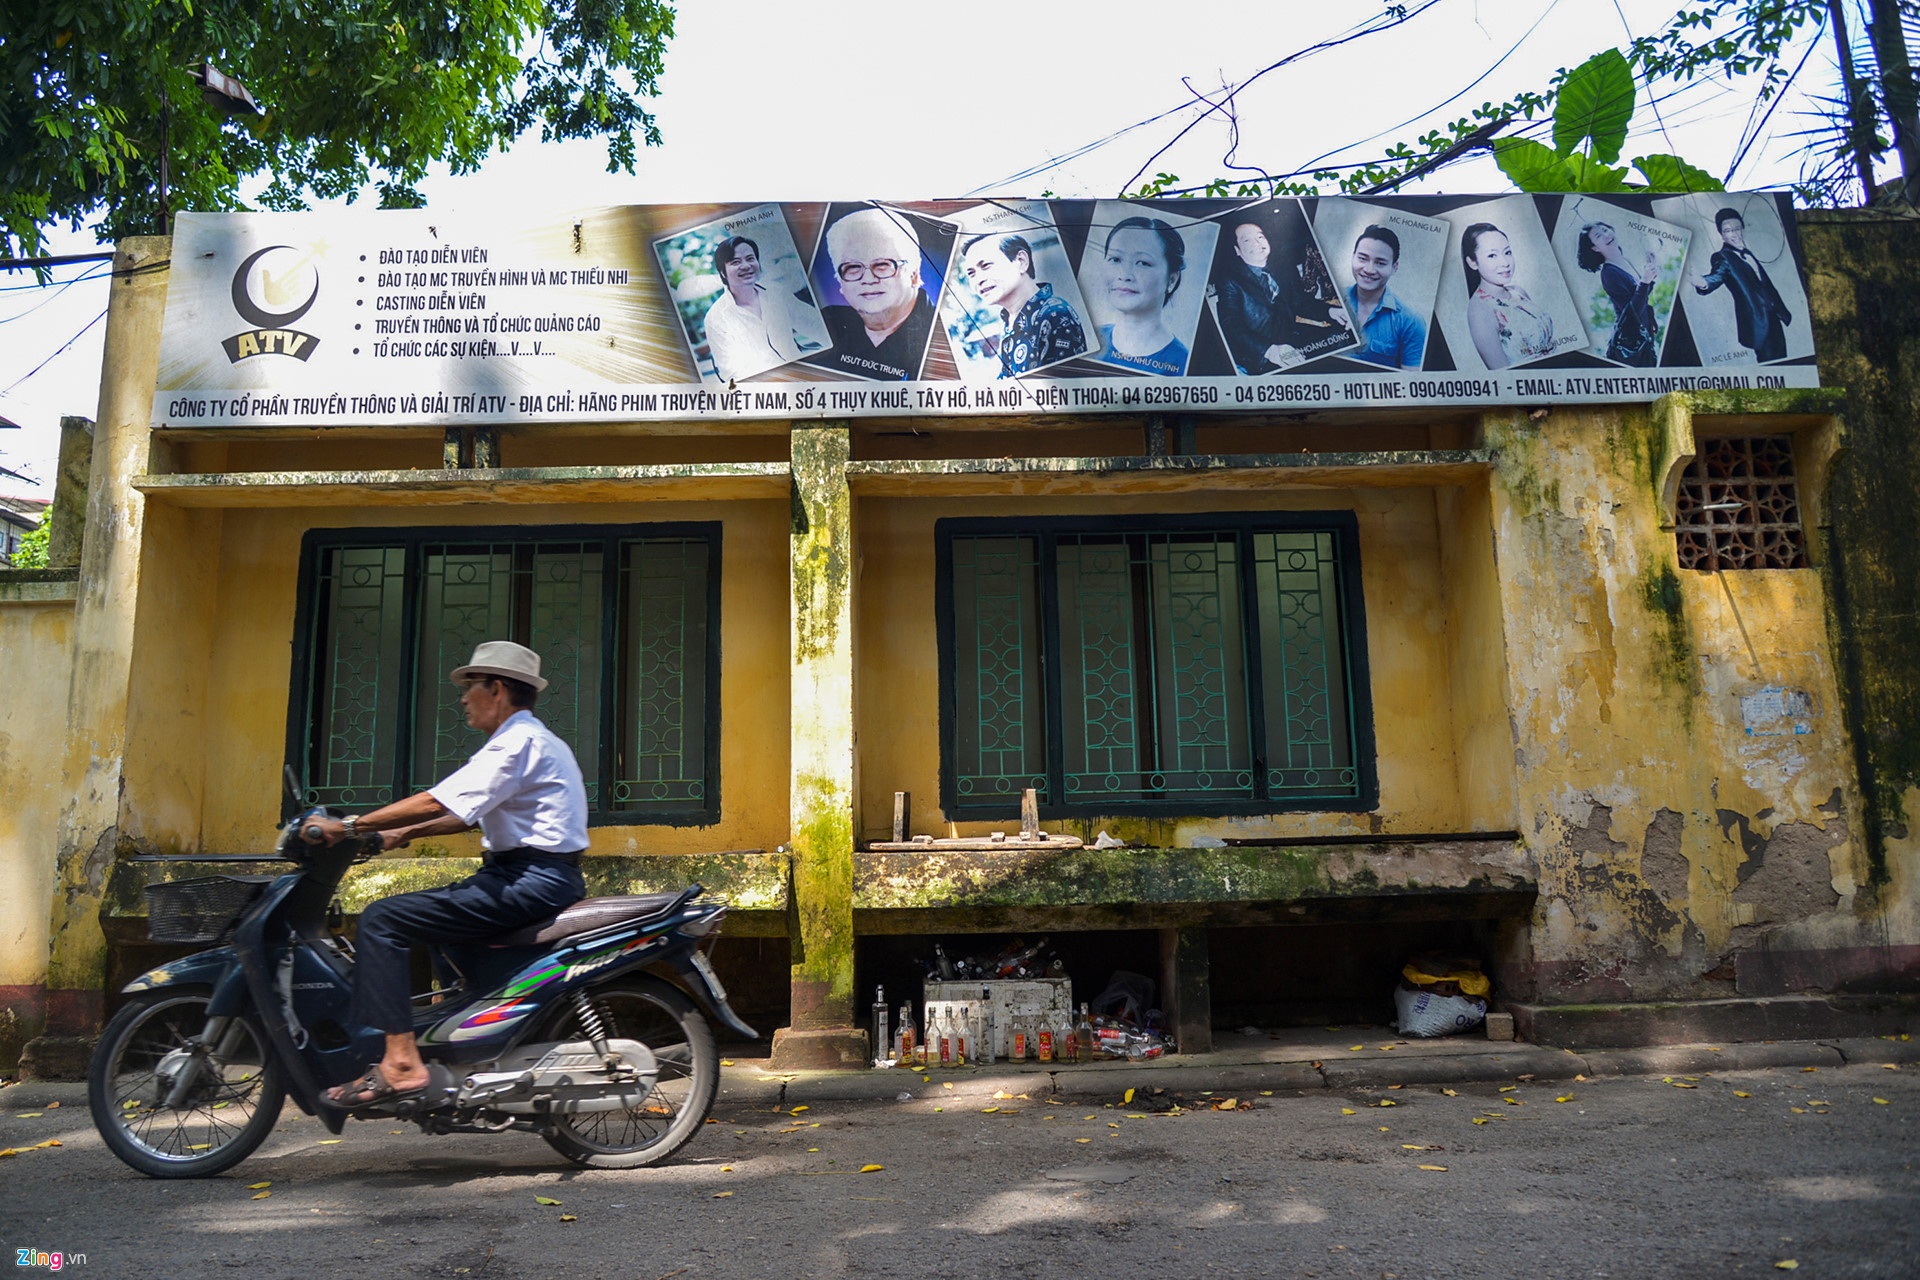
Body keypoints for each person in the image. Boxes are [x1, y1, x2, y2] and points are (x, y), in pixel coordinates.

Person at [302, 640, 589, 1107]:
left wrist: (348, 825)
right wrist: (402, 834)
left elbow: (439, 800)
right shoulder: (530, 740)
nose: (462, 698)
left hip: (531, 879)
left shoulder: (516, 744)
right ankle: (460, 1044)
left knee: (383, 919)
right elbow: (465, 813)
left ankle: (400, 1063)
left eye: (470, 686)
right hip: (532, 875)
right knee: (441, 924)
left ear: (496, 690)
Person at [816, 208, 937, 380]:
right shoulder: (826, 325)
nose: (868, 279)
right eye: (853, 267)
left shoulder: (943, 338)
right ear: (840, 282)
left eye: (882, 264)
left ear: (914, 274)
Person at [959, 232, 1087, 376]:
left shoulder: (1055, 314)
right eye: (971, 273)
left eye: (986, 265)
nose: (978, 280)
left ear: (1021, 261)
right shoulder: (1009, 320)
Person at [1691, 207, 1792, 363]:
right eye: (1728, 230)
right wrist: (1703, 283)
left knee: (1783, 363)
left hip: (1774, 317)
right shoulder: (1723, 257)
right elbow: (1717, 276)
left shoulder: (1747, 253)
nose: (1735, 234)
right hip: (1758, 323)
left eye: (1737, 229)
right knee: (1771, 366)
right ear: (1722, 234)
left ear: (1742, 228)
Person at [701, 235, 807, 383]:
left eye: (750, 258)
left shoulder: (777, 292)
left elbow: (811, 323)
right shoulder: (716, 318)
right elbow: (732, 373)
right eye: (735, 262)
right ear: (723, 272)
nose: (745, 265)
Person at [1094, 216, 1190, 376]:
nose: (1124, 275)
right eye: (1115, 259)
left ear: (1171, 280)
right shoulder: (1087, 342)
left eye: (1143, 263)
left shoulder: (1183, 365)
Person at [1462, 222, 1555, 370]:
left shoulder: (1518, 292)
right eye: (1492, 255)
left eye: (1507, 252)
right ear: (1473, 263)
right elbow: (1503, 375)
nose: (1505, 263)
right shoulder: (1479, 311)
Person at [1576, 221, 1659, 367]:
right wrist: (1645, 281)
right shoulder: (1609, 273)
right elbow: (1632, 311)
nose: (1606, 235)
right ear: (1595, 248)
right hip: (1631, 342)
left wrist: (1650, 274)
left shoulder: (1624, 260)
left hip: (1645, 336)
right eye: (1598, 236)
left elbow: (1641, 295)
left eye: (1605, 229)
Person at [1343, 225, 1427, 370]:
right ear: (1353, 257)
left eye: (1380, 263)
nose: (1369, 270)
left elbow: (1411, 383)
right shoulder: (1329, 302)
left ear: (1394, 267)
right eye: (1363, 258)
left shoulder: (1411, 321)